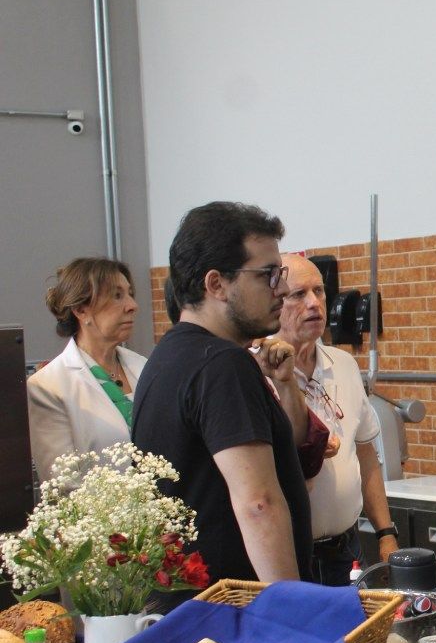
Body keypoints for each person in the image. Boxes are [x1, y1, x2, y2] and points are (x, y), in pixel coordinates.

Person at [131, 201, 322, 603]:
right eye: (268, 275)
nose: (282, 289)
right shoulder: (223, 364)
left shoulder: (164, 360)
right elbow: (259, 503)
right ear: (216, 284)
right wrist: (292, 611)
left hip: (190, 607)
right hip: (236, 614)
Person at [272, 253, 399, 584]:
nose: (314, 303)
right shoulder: (258, 372)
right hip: (289, 554)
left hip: (347, 549)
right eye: (298, 294)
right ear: (273, 304)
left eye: (319, 291)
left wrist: (385, 532)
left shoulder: (343, 364)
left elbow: (366, 454)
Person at [27, 258, 147, 481]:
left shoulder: (145, 366)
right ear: (81, 310)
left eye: (130, 294)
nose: (132, 305)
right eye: (117, 295)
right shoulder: (48, 387)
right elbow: (62, 483)